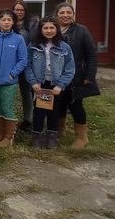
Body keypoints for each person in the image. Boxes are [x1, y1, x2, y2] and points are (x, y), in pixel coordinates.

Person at [24, 16, 76, 149]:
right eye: (45, 28)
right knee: (38, 111)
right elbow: (27, 65)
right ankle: (37, 137)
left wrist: (61, 85)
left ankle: (52, 137)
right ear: (40, 30)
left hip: (55, 86)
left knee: (54, 112)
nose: (49, 31)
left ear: (57, 29)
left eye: (52, 27)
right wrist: (33, 82)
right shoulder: (33, 46)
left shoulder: (64, 47)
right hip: (39, 85)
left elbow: (70, 69)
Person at [55, 2, 97, 149]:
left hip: (77, 76)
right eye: (62, 12)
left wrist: (89, 76)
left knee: (76, 105)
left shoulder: (82, 31)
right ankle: (59, 130)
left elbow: (91, 55)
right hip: (57, 75)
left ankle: (82, 137)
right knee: (59, 103)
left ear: (73, 14)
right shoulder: (53, 29)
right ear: (57, 15)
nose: (65, 15)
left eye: (69, 12)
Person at [0, 9, 28, 148]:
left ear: (13, 22)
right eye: (3, 19)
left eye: (9, 19)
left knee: (7, 107)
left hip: (9, 82)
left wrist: (12, 74)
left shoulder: (18, 39)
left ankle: (9, 137)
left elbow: (23, 60)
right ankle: (0, 133)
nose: (6, 22)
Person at [11, 0, 35, 133]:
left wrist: (23, 54)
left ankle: (28, 119)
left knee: (26, 92)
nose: (19, 12)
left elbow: (33, 42)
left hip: (25, 62)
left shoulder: (31, 25)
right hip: (10, 63)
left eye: (21, 10)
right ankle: (9, 119)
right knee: (10, 92)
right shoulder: (9, 23)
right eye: (16, 9)